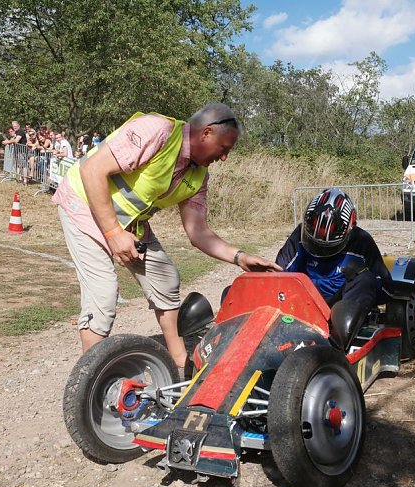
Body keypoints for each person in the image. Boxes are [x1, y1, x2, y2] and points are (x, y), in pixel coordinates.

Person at [53, 102, 281, 372]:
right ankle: (91, 381)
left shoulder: (198, 175)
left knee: (166, 278)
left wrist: (239, 257)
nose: (224, 158)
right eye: (224, 149)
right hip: (84, 205)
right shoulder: (157, 131)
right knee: (103, 295)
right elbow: (92, 170)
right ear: (206, 133)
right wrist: (114, 233)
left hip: (129, 223)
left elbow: (198, 232)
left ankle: (177, 360)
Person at [275, 188, 393, 313]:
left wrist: (361, 279)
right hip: (302, 304)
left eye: (328, 247)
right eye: (316, 244)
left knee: (366, 279)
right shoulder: (298, 237)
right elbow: (277, 274)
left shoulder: (361, 241)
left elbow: (386, 288)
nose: (321, 250)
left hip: (343, 307)